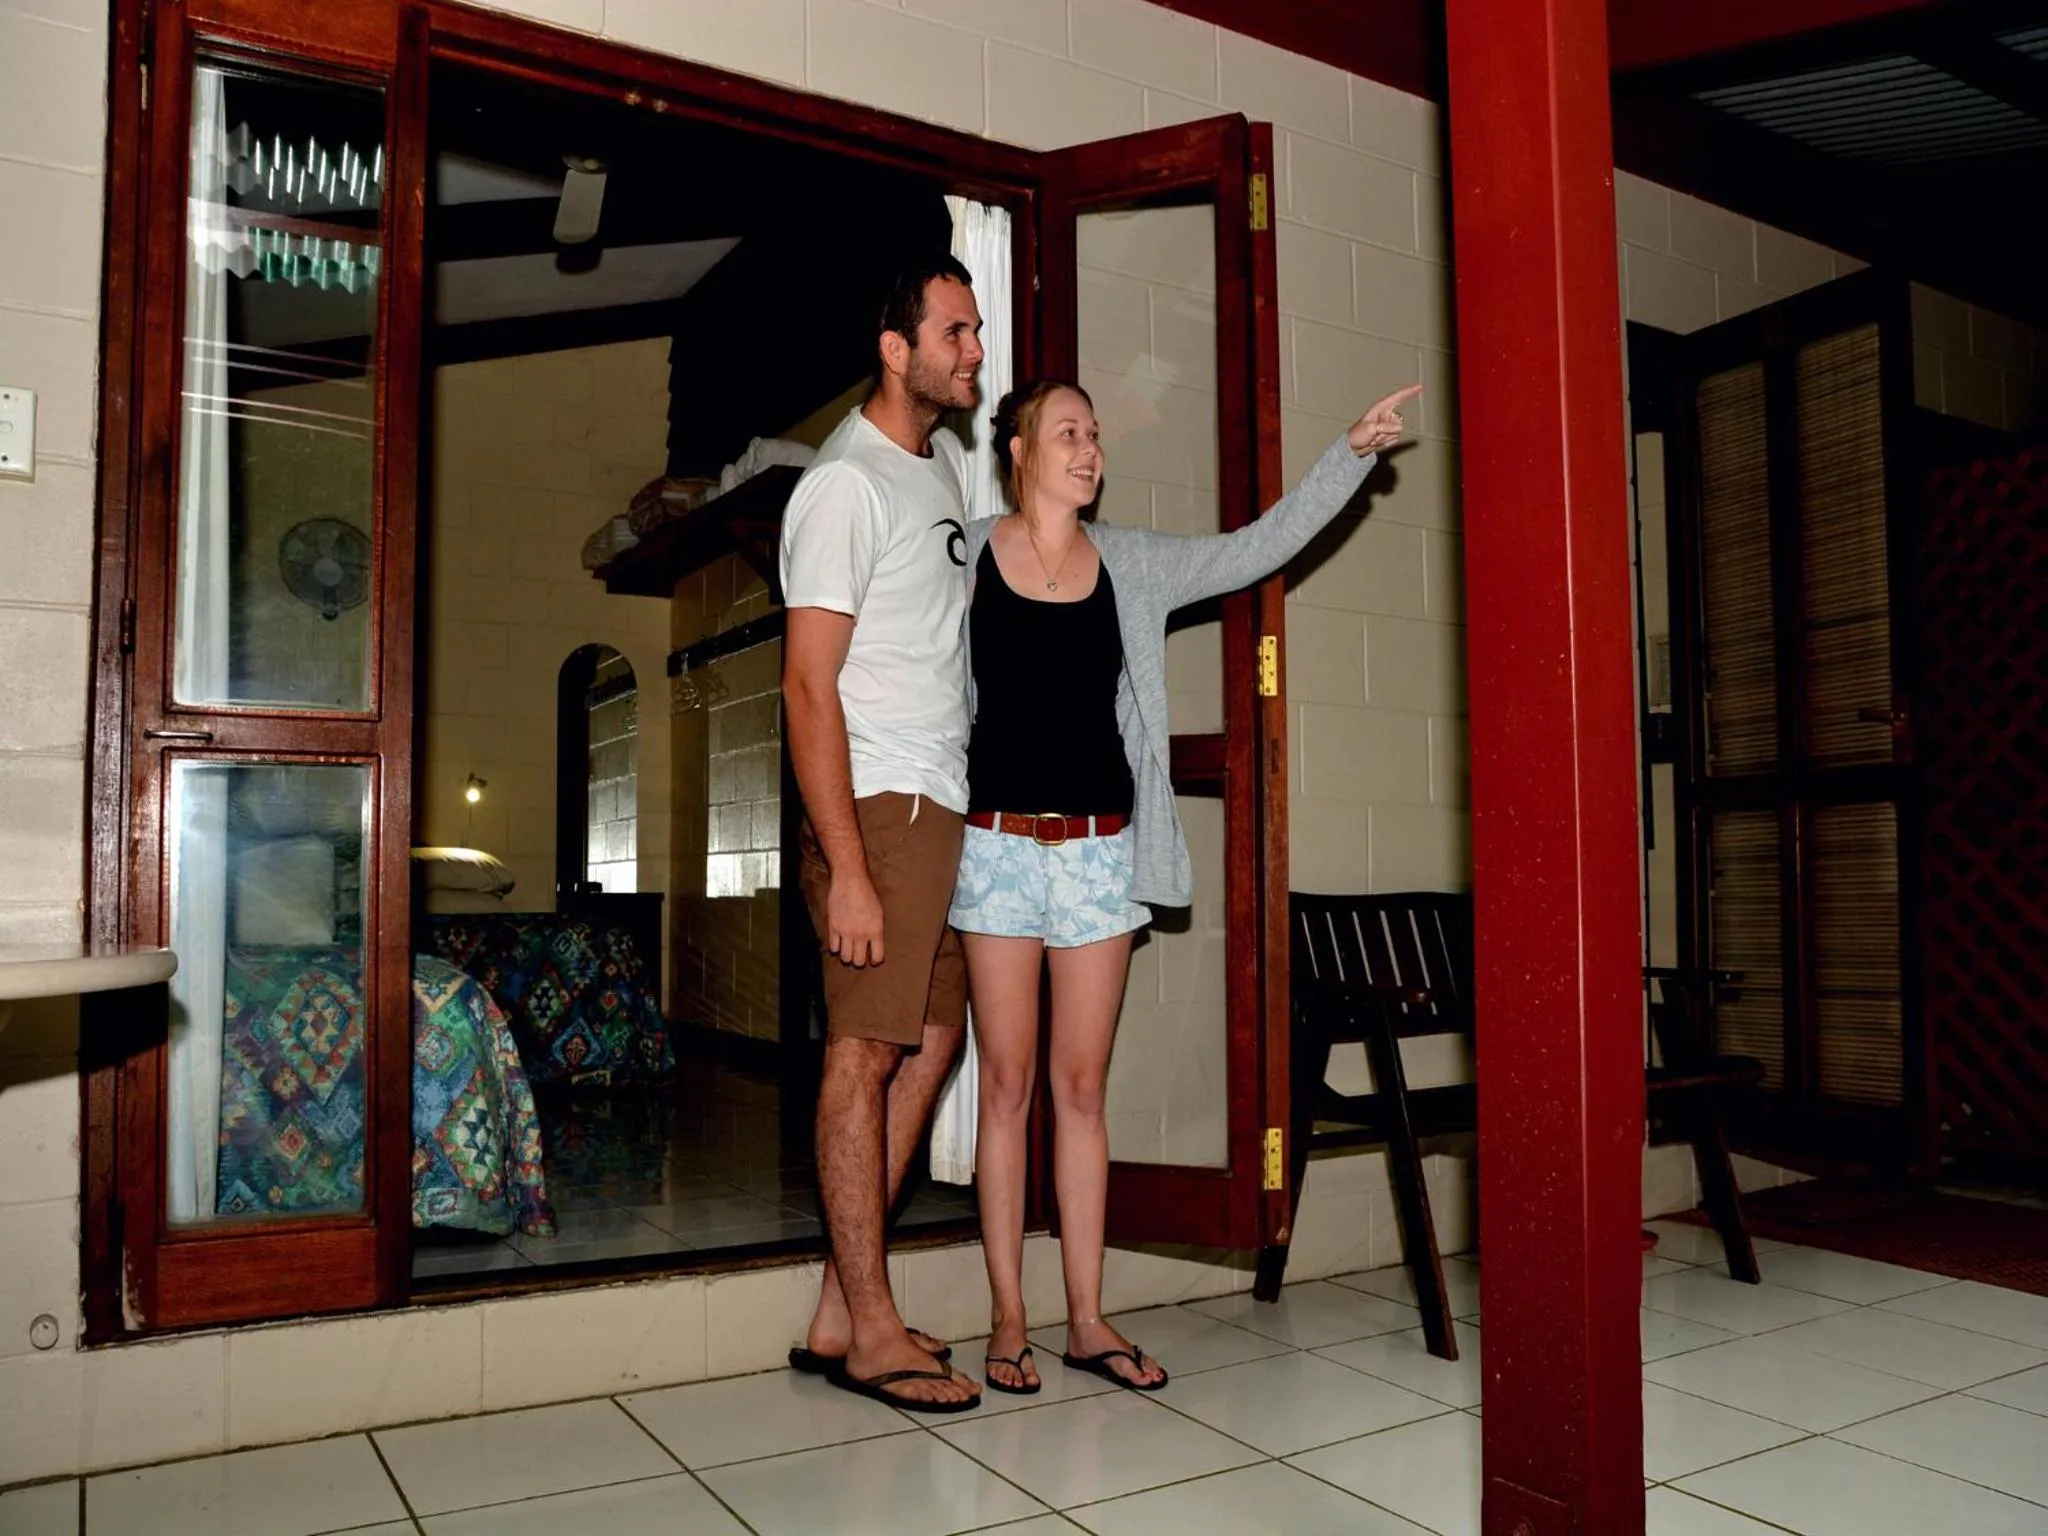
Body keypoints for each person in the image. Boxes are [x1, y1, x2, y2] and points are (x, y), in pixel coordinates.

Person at [952, 378, 1423, 1394]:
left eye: (1094, 433)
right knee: (1005, 1089)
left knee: (1081, 1092)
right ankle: (1005, 1318)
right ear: (1019, 450)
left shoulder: (1131, 562)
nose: (1089, 447)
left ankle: (1085, 1320)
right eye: (1067, 432)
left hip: (1098, 854)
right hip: (992, 850)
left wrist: (1346, 455)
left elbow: (1255, 546)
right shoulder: (968, 558)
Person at [777, 253, 987, 1413]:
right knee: (862, 1055)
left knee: (932, 1040)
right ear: (894, 349)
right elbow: (808, 686)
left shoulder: (940, 467)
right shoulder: (844, 486)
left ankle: (838, 1308)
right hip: (876, 805)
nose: (974, 350)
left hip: (934, 801)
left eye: (975, 330)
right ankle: (869, 1329)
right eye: (953, 332)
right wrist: (848, 870)